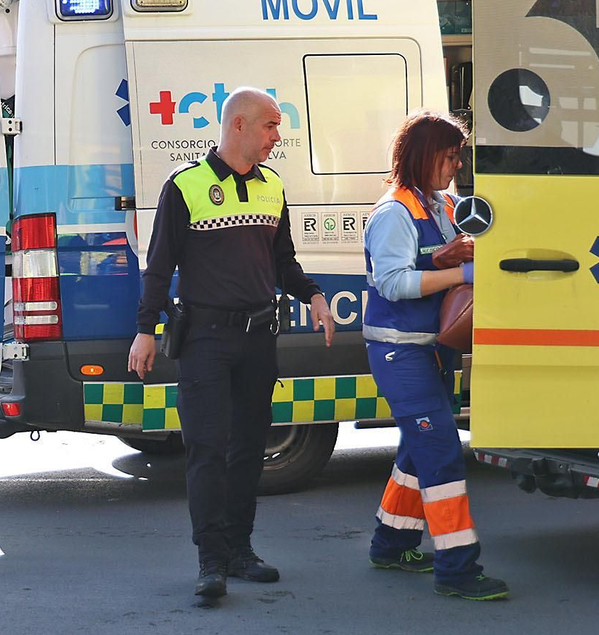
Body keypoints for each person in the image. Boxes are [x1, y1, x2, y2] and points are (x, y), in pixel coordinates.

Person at [129, 87, 335, 599]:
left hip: (258, 337)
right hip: (205, 339)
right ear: (238, 125)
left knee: (248, 449)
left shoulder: (272, 187)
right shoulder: (187, 185)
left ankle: (241, 550)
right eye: (270, 126)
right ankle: (211, 560)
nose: (276, 137)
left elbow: (282, 260)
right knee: (206, 448)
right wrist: (146, 328)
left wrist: (312, 294)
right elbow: (160, 265)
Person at [362, 112, 507, 601]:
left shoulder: (443, 204)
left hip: (430, 350)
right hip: (400, 353)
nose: (456, 165)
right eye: (450, 156)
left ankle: (391, 543)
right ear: (425, 156)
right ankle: (458, 569)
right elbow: (392, 282)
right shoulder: (393, 213)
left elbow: (435, 257)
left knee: (418, 449)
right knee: (441, 452)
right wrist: (460, 275)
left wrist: (450, 257)